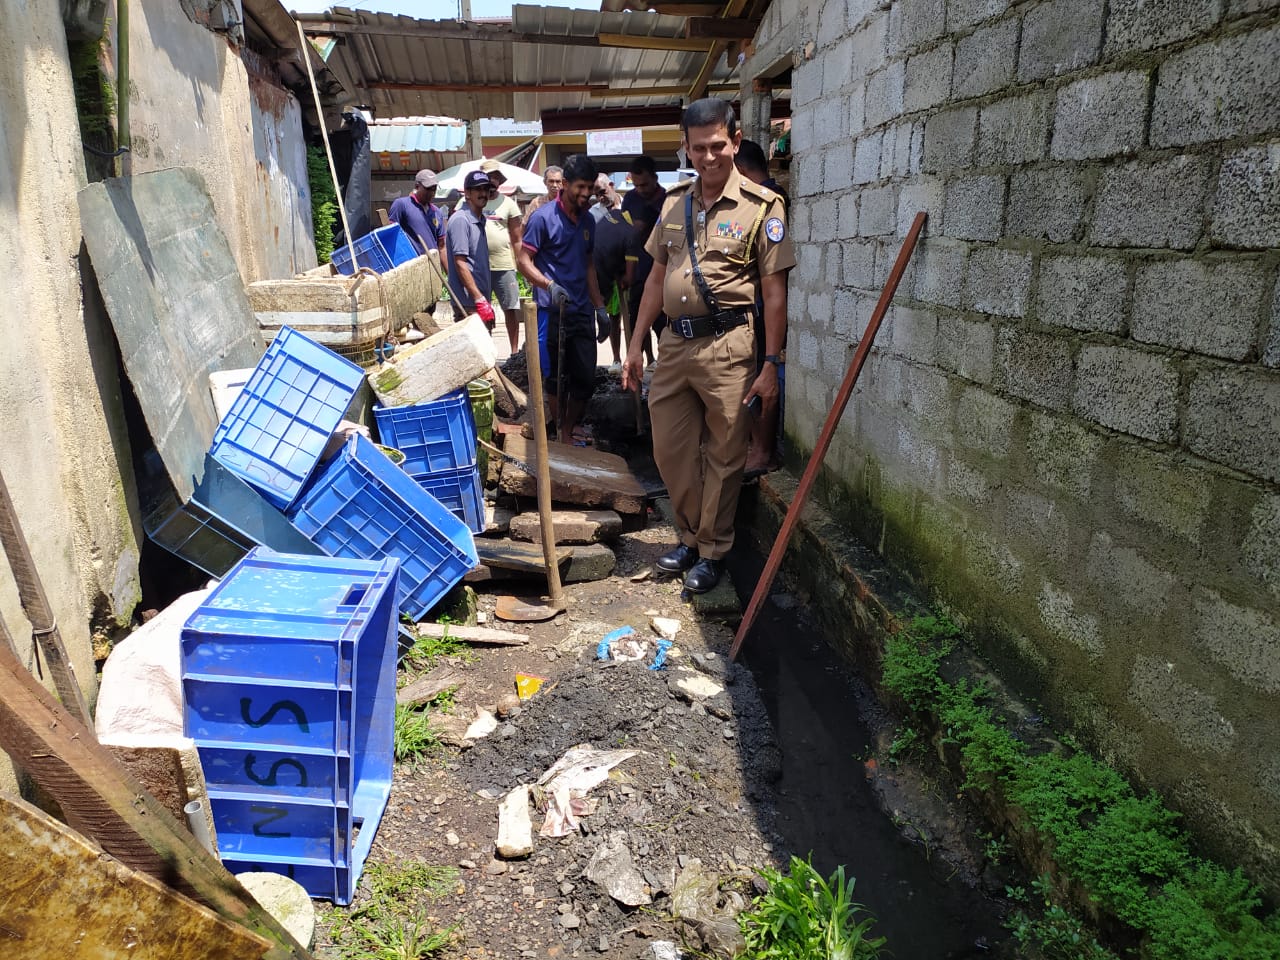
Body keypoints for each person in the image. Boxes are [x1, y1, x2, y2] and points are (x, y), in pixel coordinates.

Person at [621, 99, 794, 594]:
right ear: (687, 148)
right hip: (674, 345)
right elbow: (655, 279)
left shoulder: (764, 207)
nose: (709, 156)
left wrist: (771, 363)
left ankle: (713, 550)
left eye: (719, 145)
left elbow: (775, 294)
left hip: (730, 344)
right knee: (670, 449)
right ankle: (690, 537)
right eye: (699, 148)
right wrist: (635, 345)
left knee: (724, 452)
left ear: (735, 142)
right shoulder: (674, 202)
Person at [517, 153, 609, 447]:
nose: (585, 194)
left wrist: (601, 308)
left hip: (581, 310)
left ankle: (569, 428)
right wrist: (548, 284)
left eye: (589, 188)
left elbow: (589, 265)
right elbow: (523, 261)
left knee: (584, 378)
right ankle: (560, 433)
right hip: (551, 310)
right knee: (556, 376)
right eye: (580, 187)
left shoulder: (588, 222)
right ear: (564, 185)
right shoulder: (543, 219)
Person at [735, 139, 790, 478]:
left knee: (763, 376)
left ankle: (763, 453)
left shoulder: (771, 204)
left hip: (764, 306)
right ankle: (756, 448)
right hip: (755, 306)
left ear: (741, 171)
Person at [455, 159, 524, 352]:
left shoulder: (508, 203)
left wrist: (522, 264)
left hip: (503, 264)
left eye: (494, 178)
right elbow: (457, 231)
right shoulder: (465, 203)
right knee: (480, 311)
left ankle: (514, 352)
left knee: (511, 309)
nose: (491, 182)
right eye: (488, 178)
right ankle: (486, 352)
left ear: (499, 180)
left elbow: (517, 238)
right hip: (476, 266)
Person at [620, 155, 666, 364]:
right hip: (636, 271)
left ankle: (666, 360)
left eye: (645, 184)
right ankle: (649, 359)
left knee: (663, 323)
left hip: (662, 271)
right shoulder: (630, 199)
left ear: (655, 178)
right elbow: (625, 234)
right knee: (638, 321)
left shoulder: (668, 200)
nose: (641, 189)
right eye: (636, 185)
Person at [445, 170, 495, 327]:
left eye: (486, 189)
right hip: (468, 304)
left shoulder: (479, 220)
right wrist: (478, 298)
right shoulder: (461, 220)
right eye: (478, 190)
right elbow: (460, 263)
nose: (483, 194)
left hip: (478, 301)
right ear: (467, 193)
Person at [592, 203, 635, 372]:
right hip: (605, 275)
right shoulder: (630, 232)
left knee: (623, 317)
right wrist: (624, 278)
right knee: (613, 316)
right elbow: (629, 278)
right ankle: (618, 360)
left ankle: (628, 359)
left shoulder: (613, 216)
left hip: (601, 270)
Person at [388, 169, 446, 255]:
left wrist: (449, 269)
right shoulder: (402, 205)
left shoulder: (437, 213)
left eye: (434, 189)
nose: (432, 193)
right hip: (411, 264)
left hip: (433, 264)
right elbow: (391, 236)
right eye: (428, 189)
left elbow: (441, 247)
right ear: (417, 186)